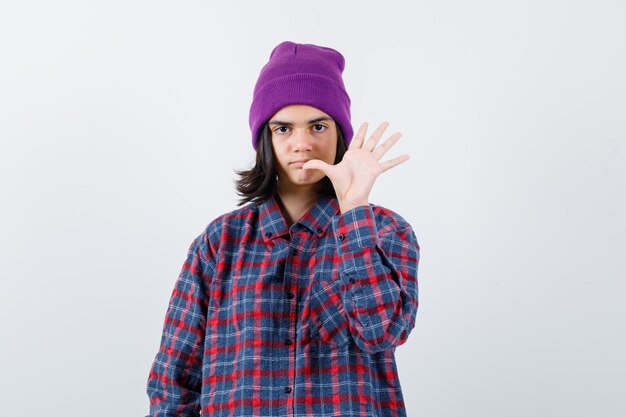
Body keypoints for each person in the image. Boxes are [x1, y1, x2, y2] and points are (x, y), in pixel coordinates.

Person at [146, 41, 420, 417]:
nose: (302, 143)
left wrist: (354, 209)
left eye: (318, 126)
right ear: (266, 138)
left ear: (339, 133)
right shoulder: (219, 242)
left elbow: (382, 332)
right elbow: (174, 379)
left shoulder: (386, 231)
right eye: (283, 128)